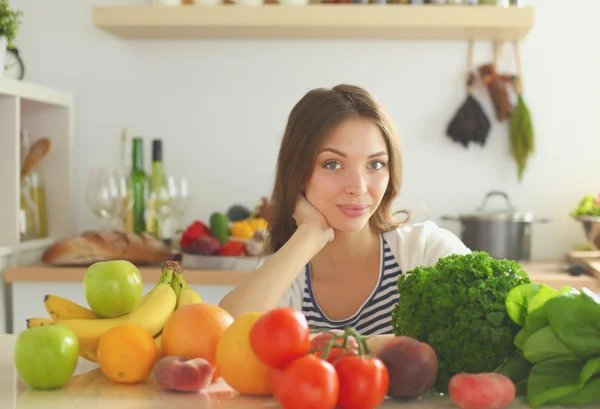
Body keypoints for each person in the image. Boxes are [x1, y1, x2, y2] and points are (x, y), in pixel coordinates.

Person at [219, 84, 471, 354]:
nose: (359, 187)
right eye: (333, 164)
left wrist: (338, 348)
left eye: (375, 165)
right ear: (299, 173)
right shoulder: (287, 275)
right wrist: (308, 235)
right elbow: (226, 337)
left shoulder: (425, 250)